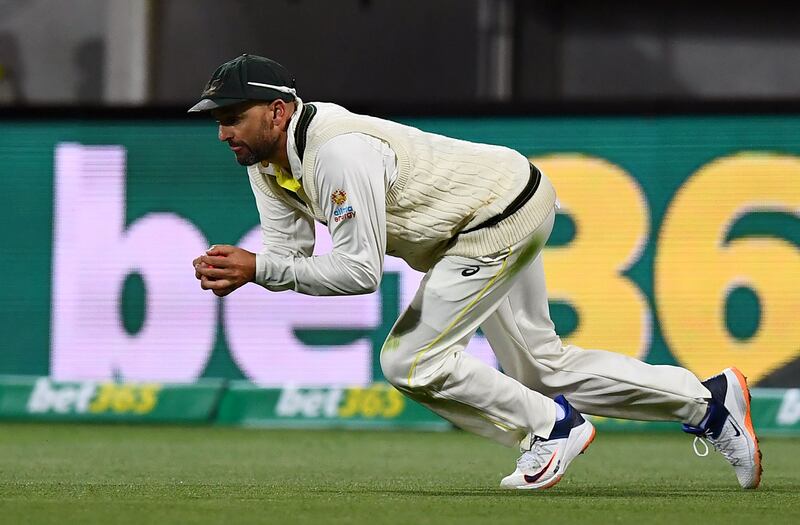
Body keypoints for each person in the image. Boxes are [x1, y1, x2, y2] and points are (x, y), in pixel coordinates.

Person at [190, 54, 761, 490]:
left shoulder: (337, 153)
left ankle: (553, 428)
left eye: (232, 118)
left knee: (409, 359)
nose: (222, 133)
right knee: (542, 369)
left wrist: (260, 268)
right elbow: (286, 255)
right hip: (490, 210)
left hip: (495, 216)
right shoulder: (265, 163)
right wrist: (252, 269)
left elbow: (359, 272)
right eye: (217, 121)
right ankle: (710, 402)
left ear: (278, 110)